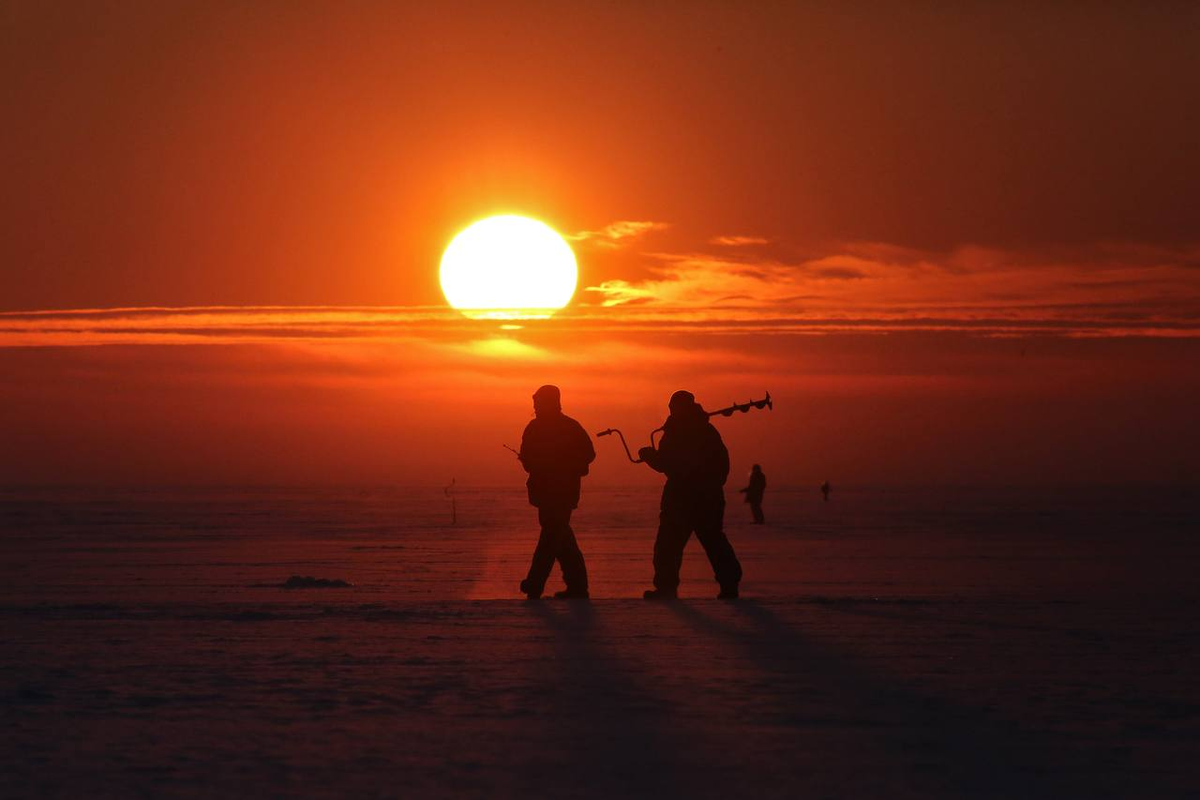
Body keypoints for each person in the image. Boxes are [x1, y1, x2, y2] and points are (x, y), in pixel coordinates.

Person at [638, 390, 743, 600]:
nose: (671, 410)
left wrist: (650, 457)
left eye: (674, 407)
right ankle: (727, 585)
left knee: (673, 543)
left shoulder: (685, 432)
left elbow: (668, 464)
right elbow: (719, 464)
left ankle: (668, 587)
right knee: (706, 541)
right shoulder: (702, 430)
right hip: (701, 496)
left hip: (686, 498)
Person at [517, 385, 596, 600]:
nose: (535, 406)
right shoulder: (536, 428)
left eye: (539, 402)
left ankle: (535, 584)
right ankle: (577, 586)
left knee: (551, 538)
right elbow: (528, 458)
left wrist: (561, 464)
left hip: (561, 493)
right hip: (545, 493)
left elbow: (588, 454)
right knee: (561, 539)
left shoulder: (569, 427)